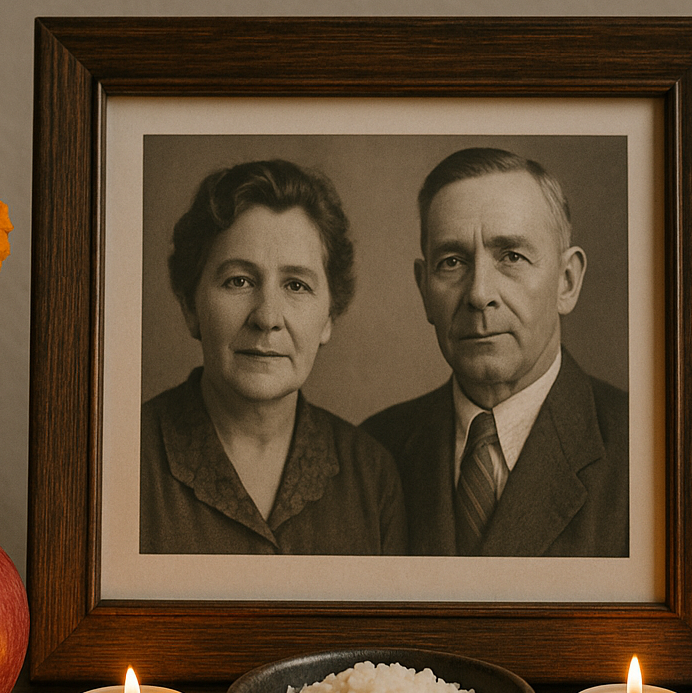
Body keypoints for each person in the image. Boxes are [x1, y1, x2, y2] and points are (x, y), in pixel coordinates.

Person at [362, 148, 628, 557]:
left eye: (512, 257)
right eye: (451, 262)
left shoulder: (649, 449)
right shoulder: (373, 453)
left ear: (567, 282)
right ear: (423, 290)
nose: (479, 293)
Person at [140, 159, 405, 555]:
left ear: (329, 317)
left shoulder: (371, 477)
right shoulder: (122, 458)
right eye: (239, 281)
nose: (267, 317)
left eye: (296, 285)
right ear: (191, 306)